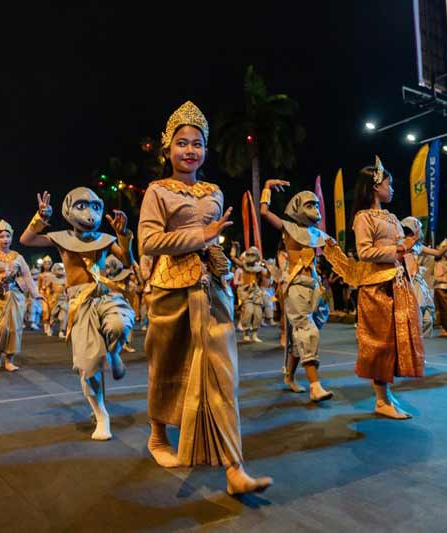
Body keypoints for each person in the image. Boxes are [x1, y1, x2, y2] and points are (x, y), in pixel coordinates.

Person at [138, 101, 272, 494]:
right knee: (165, 367)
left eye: (197, 143)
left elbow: (213, 236)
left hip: (212, 291)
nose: (190, 150)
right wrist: (200, 236)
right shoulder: (157, 191)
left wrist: (220, 261)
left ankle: (234, 468)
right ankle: (158, 435)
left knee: (222, 374)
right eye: (182, 143)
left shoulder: (213, 191)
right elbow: (148, 242)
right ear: (168, 149)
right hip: (169, 291)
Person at [20, 188, 135, 441]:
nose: (90, 213)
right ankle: (101, 414)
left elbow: (127, 260)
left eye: (95, 207)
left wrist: (123, 234)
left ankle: (115, 353)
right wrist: (40, 218)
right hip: (79, 302)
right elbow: (27, 240)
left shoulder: (106, 239)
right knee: (88, 364)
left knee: (120, 324)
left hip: (105, 294)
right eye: (82, 206)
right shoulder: (60, 238)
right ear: (68, 210)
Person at [326, 156, 424, 419]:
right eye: (388, 184)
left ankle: (386, 395)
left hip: (397, 282)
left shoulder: (391, 216)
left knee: (395, 340)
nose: (392, 189)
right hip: (376, 286)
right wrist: (400, 248)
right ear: (374, 187)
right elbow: (365, 251)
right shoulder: (362, 218)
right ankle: (382, 400)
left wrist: (410, 245)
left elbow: (402, 247)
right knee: (381, 342)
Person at [261, 180, 334, 401]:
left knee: (300, 336)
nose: (314, 210)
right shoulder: (288, 227)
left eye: (315, 205)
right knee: (307, 331)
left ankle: (290, 377)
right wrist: (267, 187)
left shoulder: (316, 234)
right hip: (295, 285)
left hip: (314, 286)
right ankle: (315, 385)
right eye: (309, 205)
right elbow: (264, 212)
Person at [0, 220, 41, 371]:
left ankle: (9, 360)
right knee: (1, 328)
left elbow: (27, 276)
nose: (5, 239)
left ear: (11, 238)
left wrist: (35, 294)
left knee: (14, 328)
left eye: (8, 236)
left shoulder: (18, 257)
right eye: (2, 237)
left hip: (15, 296)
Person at [230, 244, 269, 343]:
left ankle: (255, 334)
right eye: (249, 255)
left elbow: (267, 275)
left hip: (256, 291)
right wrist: (234, 248)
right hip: (246, 291)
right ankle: (246, 333)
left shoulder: (258, 268)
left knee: (258, 314)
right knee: (248, 311)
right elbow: (233, 258)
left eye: (253, 255)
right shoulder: (243, 266)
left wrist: (268, 266)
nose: (250, 257)